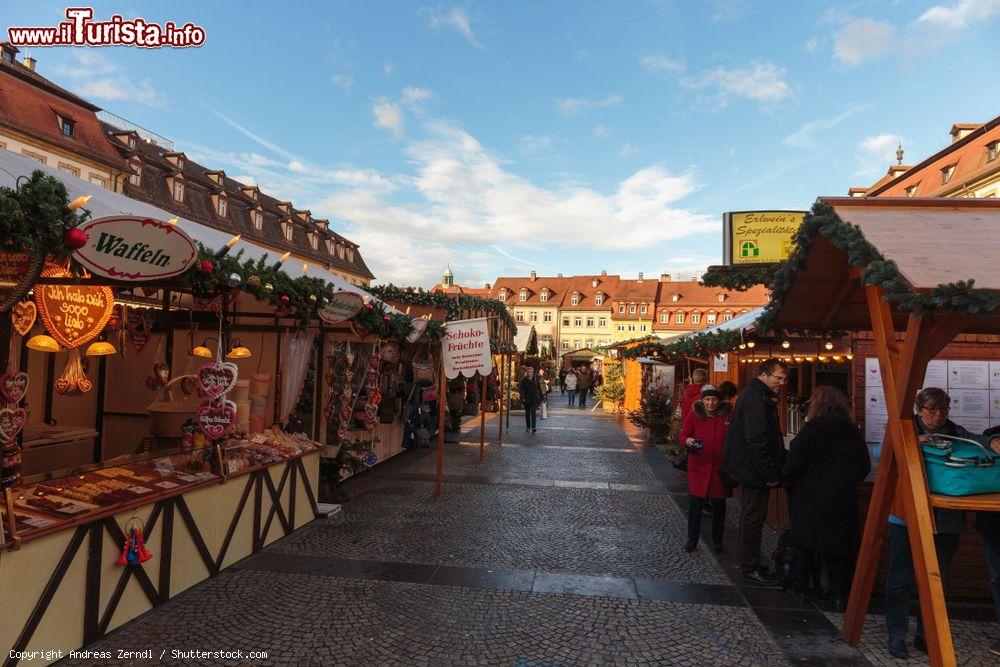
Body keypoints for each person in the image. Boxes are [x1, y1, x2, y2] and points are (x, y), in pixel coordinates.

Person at [878, 387, 969, 659]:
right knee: (900, 580)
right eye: (933, 409)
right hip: (905, 516)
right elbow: (882, 460)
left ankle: (925, 634)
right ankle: (896, 635)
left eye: (943, 409)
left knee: (936, 581)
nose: (939, 415)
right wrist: (912, 443)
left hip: (946, 520)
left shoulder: (957, 432)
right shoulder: (903, 430)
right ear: (919, 409)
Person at [781, 386, 870, 608]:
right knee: (838, 551)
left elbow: (793, 464)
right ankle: (839, 595)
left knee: (805, 545)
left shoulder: (811, 431)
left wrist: (788, 482)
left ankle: (802, 590)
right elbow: (864, 467)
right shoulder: (853, 433)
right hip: (842, 499)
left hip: (810, 499)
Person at [722, 358, 788, 586]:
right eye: (778, 378)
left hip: (751, 468)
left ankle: (751, 562)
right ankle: (749, 567)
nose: (782, 383)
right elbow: (756, 439)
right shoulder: (755, 398)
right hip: (754, 470)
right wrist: (769, 472)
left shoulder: (755, 395)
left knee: (752, 517)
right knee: (753, 517)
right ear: (765, 374)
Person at [679, 384, 731, 553]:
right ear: (702, 401)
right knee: (695, 506)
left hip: (719, 469)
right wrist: (688, 441)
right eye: (707, 399)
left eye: (714, 399)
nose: (710, 403)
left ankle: (717, 540)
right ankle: (692, 540)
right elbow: (683, 434)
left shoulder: (726, 416)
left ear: (719, 401)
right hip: (698, 467)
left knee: (719, 507)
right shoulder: (695, 415)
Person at [518, 367, 543, 433]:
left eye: (530, 371)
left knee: (533, 413)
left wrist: (541, 398)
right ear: (526, 372)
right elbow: (521, 389)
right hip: (526, 399)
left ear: (532, 372)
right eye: (528, 371)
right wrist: (522, 397)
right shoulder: (524, 380)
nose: (529, 373)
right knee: (527, 414)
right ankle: (528, 426)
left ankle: (534, 427)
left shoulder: (535, 379)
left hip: (534, 399)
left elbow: (539, 389)